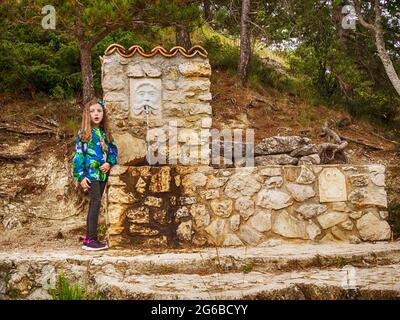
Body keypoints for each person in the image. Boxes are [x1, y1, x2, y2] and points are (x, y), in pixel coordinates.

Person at [72, 97, 118, 251]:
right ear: (87, 115)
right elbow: (79, 155)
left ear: (103, 114)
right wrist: (81, 176)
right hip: (91, 174)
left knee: (95, 203)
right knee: (96, 202)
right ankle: (91, 239)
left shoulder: (105, 133)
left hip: (102, 174)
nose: (96, 114)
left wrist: (109, 163)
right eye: (92, 111)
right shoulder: (85, 133)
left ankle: (89, 239)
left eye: (99, 111)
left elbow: (112, 150)